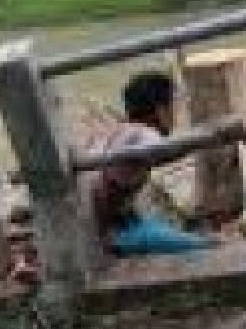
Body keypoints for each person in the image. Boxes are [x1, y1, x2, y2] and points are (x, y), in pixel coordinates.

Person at [87, 72, 213, 256]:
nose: (175, 116)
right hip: (115, 236)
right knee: (210, 247)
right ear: (160, 111)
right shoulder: (144, 134)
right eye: (173, 108)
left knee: (173, 230)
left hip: (123, 224)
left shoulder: (122, 131)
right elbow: (164, 150)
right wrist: (212, 137)